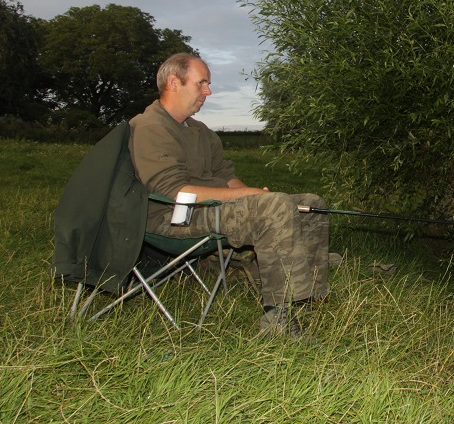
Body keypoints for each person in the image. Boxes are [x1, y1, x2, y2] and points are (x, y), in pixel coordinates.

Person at [129, 53, 330, 337]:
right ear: (174, 83)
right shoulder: (151, 127)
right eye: (201, 84)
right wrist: (251, 198)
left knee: (310, 204)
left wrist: (252, 195)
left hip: (204, 209)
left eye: (207, 84)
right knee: (272, 207)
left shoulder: (200, 131)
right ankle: (276, 319)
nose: (208, 91)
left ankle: (305, 296)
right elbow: (175, 191)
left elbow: (225, 174)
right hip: (172, 218)